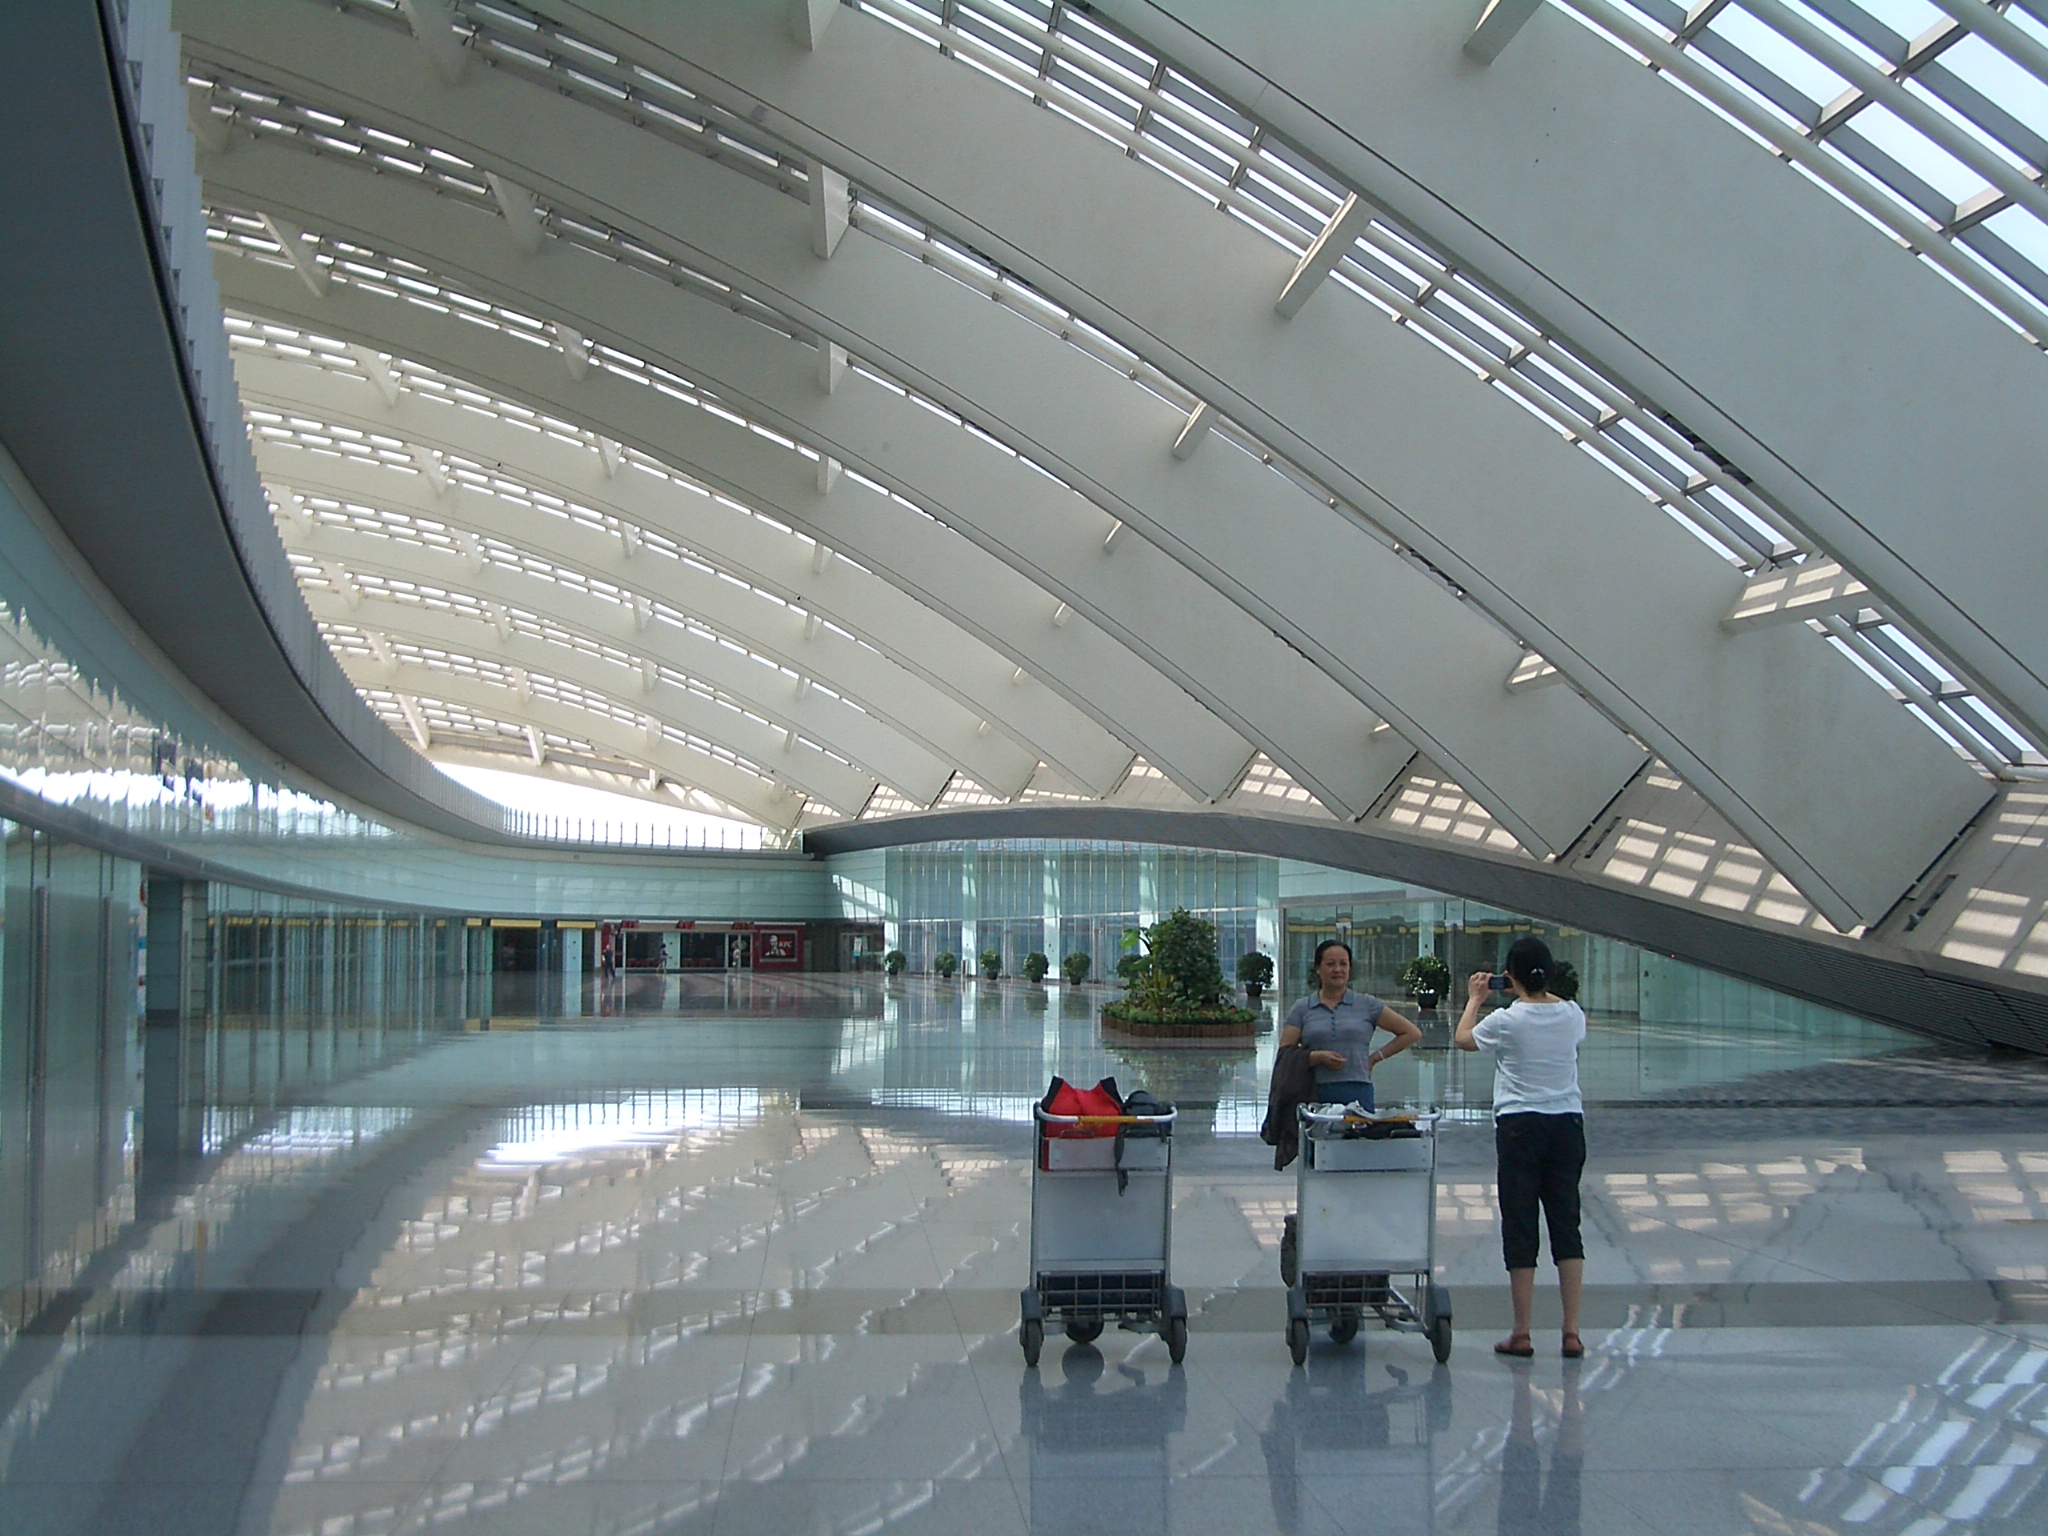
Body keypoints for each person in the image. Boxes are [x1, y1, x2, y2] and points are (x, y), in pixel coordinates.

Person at [1455, 936, 1588, 1359]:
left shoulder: (1506, 1020)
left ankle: (1522, 1332)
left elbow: (1463, 1039)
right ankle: (1571, 1331)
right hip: (1567, 1125)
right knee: (1566, 1223)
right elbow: (1559, 1015)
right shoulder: (1573, 1014)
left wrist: (1475, 999)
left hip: (1519, 1126)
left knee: (1521, 1225)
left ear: (1509, 976)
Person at [1279, 939, 1422, 1110]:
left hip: (1358, 1090)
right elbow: (1285, 1054)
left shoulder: (1367, 1004)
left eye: (1343, 964)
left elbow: (1411, 1033)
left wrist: (1375, 1058)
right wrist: (1316, 1057)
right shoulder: (1302, 1007)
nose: (1337, 969)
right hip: (1313, 1091)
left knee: (1358, 1128)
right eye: (1330, 964)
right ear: (1318, 968)